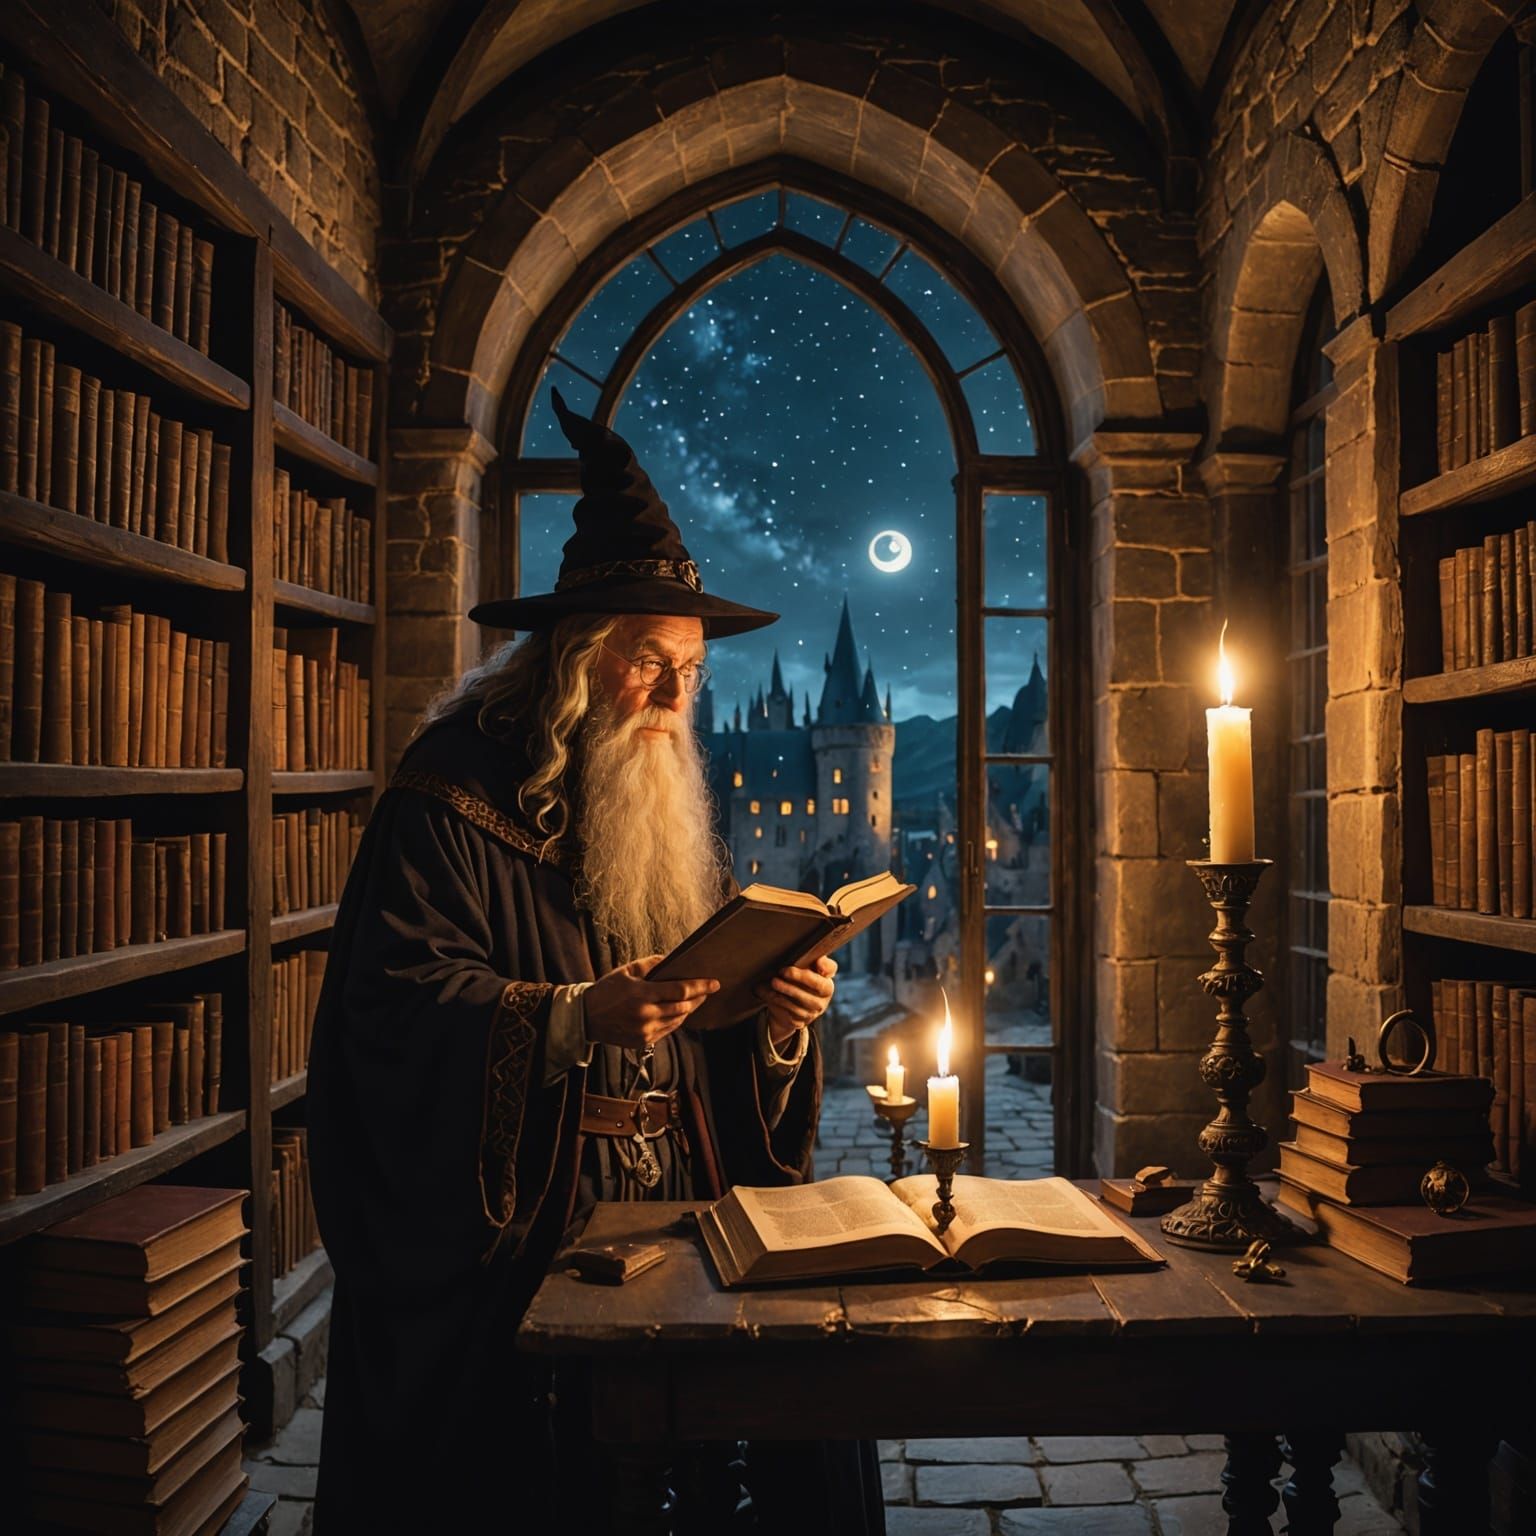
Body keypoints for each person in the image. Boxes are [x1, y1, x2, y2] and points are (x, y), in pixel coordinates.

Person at [306, 391, 886, 1533]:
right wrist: (573, 1017)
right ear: (573, 660)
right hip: (529, 1221)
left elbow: (711, 1007)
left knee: (810, 1391)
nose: (677, 699)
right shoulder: (451, 795)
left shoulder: (665, 804)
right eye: (646, 666)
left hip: (688, 1203)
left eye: (689, 670)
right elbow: (392, 1017)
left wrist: (776, 1022)